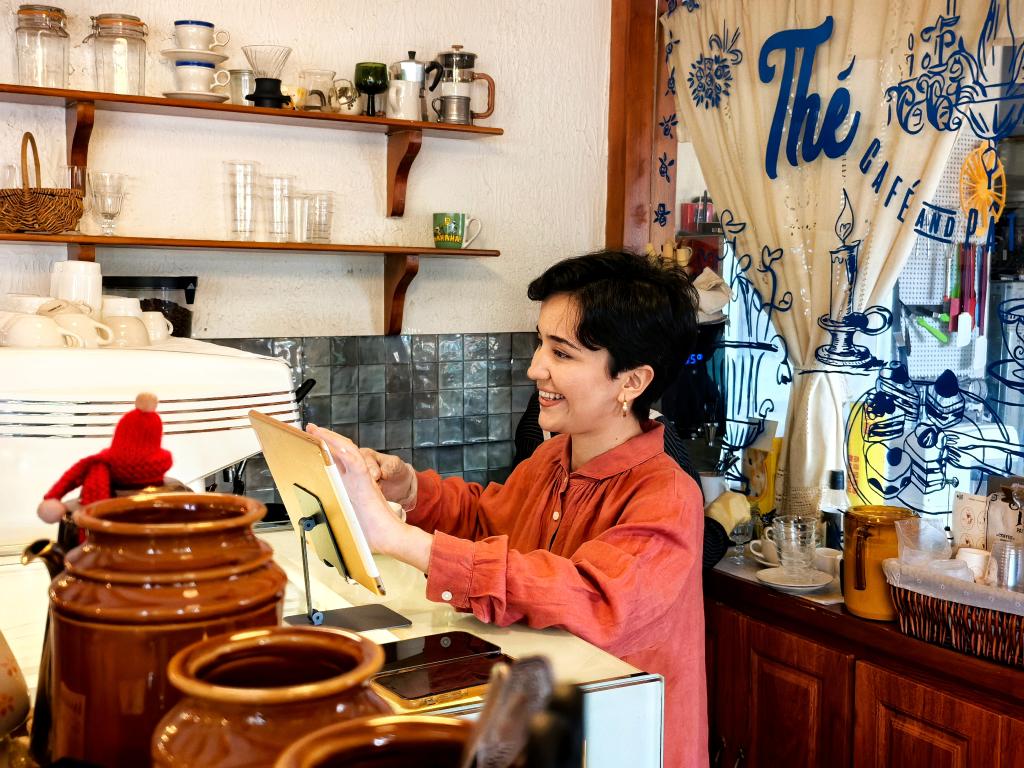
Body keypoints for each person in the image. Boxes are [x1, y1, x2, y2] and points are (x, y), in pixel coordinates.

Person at [308, 250, 709, 766]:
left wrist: (400, 539)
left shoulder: (667, 496)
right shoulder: (552, 457)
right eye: (541, 343)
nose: (535, 367)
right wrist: (407, 489)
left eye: (561, 353)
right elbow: (487, 519)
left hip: (624, 744)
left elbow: (587, 595)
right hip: (548, 725)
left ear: (631, 381)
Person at [514, 388, 736, 568]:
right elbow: (691, 554)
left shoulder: (541, 420)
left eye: (562, 355)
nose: (537, 369)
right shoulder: (546, 446)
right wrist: (721, 520)